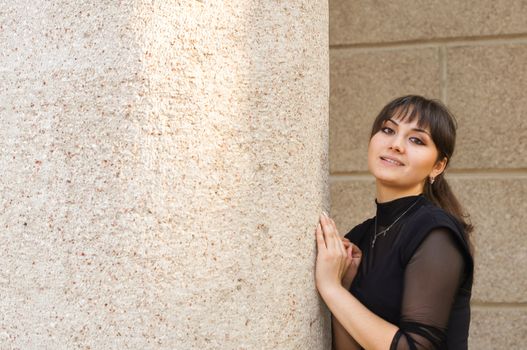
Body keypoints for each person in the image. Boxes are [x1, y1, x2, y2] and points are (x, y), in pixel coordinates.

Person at [315, 95, 474, 350]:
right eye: (388, 130)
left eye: (416, 140)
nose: (396, 144)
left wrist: (331, 288)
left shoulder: (436, 233)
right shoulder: (361, 236)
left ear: (438, 166)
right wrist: (345, 286)